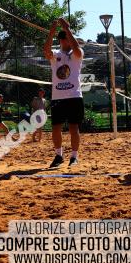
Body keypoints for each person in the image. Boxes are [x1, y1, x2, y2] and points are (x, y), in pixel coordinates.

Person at [42, 18, 84, 168]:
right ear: (61, 40)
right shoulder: (55, 54)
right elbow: (46, 51)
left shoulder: (76, 53)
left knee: (74, 128)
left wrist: (68, 29)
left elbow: (77, 49)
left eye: (69, 38)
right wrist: (52, 31)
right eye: (65, 38)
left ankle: (74, 157)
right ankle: (59, 155)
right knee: (56, 128)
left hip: (74, 96)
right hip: (58, 97)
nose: (68, 41)